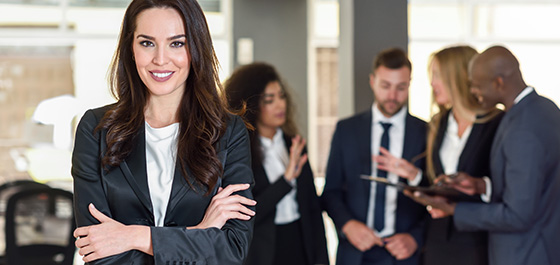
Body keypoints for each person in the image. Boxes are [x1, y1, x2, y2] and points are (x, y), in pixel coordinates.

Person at [71, 0, 256, 264]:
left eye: (176, 43)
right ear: (131, 48)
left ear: (195, 49)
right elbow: (98, 251)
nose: (160, 59)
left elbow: (232, 249)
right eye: (147, 43)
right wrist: (199, 232)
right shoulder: (96, 129)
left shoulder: (227, 132)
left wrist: (134, 236)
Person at [408, 45, 560, 265]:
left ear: (498, 82)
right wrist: (481, 186)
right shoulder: (545, 109)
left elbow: (518, 215)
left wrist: (454, 209)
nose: (473, 92)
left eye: (477, 86)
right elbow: (530, 187)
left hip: (524, 254)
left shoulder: (521, 129)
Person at [374, 45, 503, 265]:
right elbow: (439, 185)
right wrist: (415, 175)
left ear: (458, 77)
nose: (432, 83)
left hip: (479, 244)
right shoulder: (437, 124)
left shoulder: (496, 123)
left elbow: (502, 190)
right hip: (437, 245)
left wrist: (457, 203)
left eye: (437, 75)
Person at [321, 47, 428, 265]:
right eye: (385, 86)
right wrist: (348, 225)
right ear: (372, 81)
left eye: (401, 87)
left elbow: (437, 195)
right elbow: (330, 192)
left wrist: (415, 238)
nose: (392, 96)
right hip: (355, 253)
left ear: (410, 84)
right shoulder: (346, 130)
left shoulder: (427, 132)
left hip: (405, 255)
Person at [224, 62, 329, 265]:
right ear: (251, 105)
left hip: (300, 243)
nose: (280, 105)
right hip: (263, 252)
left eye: (281, 96)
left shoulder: (295, 145)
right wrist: (286, 179)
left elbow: (312, 210)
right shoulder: (240, 153)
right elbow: (247, 214)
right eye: (269, 100)